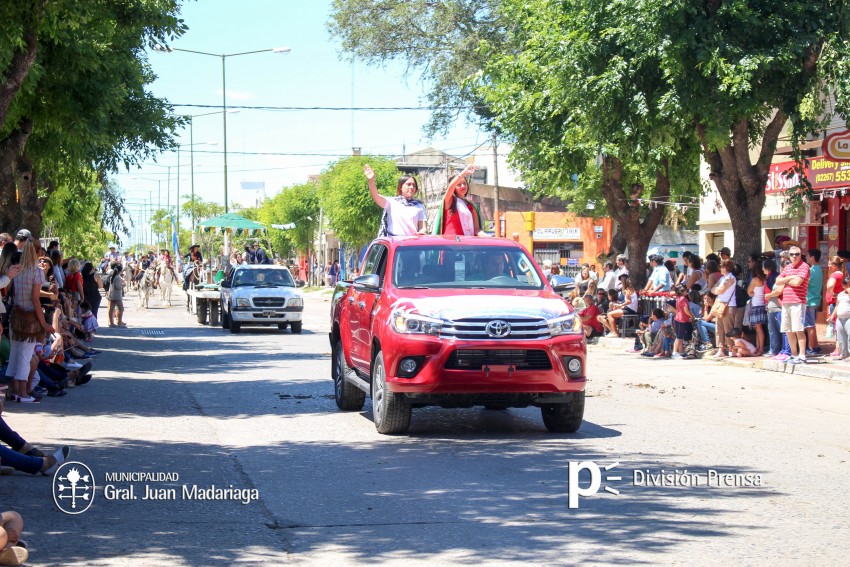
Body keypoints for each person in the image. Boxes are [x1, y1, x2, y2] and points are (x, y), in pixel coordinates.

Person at [4, 237, 54, 403]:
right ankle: (22, 393)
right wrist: (45, 323)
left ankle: (13, 390)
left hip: (15, 317)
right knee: (25, 357)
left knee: (15, 355)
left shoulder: (16, 269)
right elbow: (35, 299)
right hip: (29, 320)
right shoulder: (36, 271)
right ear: (37, 252)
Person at [364, 164, 426, 237]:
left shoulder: (419, 206)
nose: (411, 187)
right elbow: (376, 196)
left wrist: (421, 233)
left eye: (414, 185)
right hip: (395, 243)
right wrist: (371, 180)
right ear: (400, 187)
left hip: (411, 244)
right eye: (408, 184)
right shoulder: (392, 202)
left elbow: (423, 228)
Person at [774, 245, 810, 364]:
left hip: (797, 302)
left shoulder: (804, 267)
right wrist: (790, 277)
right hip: (786, 302)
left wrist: (786, 280)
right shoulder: (788, 267)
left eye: (797, 254)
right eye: (792, 254)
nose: (794, 256)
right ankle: (794, 355)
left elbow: (797, 282)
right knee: (788, 330)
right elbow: (778, 281)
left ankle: (802, 355)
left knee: (798, 329)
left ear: (801, 255)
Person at [433, 164, 486, 236]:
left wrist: (487, 236)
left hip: (467, 244)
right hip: (451, 243)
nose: (463, 186)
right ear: (454, 188)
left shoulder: (472, 206)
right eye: (459, 184)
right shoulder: (450, 201)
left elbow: (476, 229)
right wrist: (464, 173)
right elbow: (451, 186)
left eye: (464, 183)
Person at [710, 260, 738, 358]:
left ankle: (731, 349)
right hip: (720, 305)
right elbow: (713, 288)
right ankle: (721, 349)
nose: (720, 269)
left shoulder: (730, 278)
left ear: (725, 268)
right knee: (719, 328)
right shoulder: (722, 278)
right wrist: (716, 290)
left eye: (721, 267)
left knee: (728, 328)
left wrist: (716, 290)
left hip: (729, 305)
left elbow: (720, 290)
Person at [826, 275, 850, 360]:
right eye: (846, 285)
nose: (847, 287)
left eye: (849, 285)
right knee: (841, 337)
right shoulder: (840, 294)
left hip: (848, 318)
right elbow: (837, 306)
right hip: (840, 318)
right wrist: (832, 316)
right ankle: (844, 354)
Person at [804, 248, 823, 355]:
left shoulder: (811, 271)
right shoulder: (819, 269)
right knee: (812, 325)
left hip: (809, 301)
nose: (806, 258)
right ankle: (815, 346)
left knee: (809, 326)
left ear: (812, 257)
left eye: (807, 256)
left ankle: (811, 347)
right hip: (816, 300)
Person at [747, 258, 767, 355]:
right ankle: (758, 347)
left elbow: (749, 291)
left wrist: (752, 293)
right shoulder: (766, 279)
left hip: (756, 305)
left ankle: (761, 348)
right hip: (764, 304)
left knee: (758, 329)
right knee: (760, 328)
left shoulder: (755, 280)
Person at [825, 256, 847, 340]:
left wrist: (831, 293)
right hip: (838, 302)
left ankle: (838, 349)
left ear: (834, 265)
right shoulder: (842, 274)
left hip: (834, 303)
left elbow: (830, 285)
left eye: (829, 264)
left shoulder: (835, 275)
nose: (828, 266)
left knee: (835, 325)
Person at [671, 284, 694, 359]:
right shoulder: (684, 299)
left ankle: (681, 352)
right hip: (681, 320)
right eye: (686, 290)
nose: (687, 291)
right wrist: (691, 315)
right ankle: (674, 352)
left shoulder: (678, 298)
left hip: (679, 319)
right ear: (682, 291)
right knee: (679, 337)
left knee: (680, 336)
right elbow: (686, 310)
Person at [107, 264, 126, 328]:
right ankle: (119, 322)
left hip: (112, 295)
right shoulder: (117, 277)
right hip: (117, 296)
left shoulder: (112, 276)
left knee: (111, 309)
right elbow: (118, 287)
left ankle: (111, 322)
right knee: (121, 309)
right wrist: (123, 285)